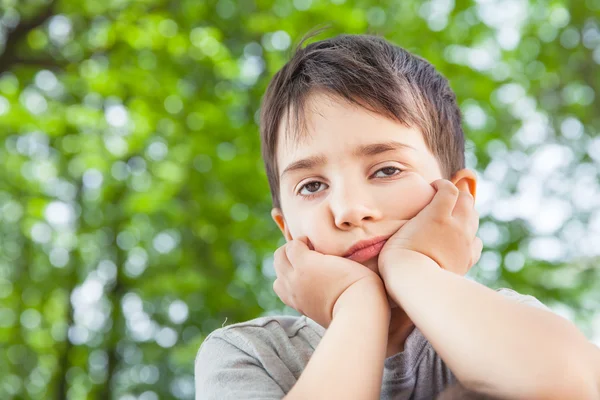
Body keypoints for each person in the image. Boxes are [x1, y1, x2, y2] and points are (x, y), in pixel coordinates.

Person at [195, 32, 600, 399]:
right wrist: (357, 305)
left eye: (386, 170)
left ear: (457, 200)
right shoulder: (251, 354)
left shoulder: (504, 327)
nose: (350, 210)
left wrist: (408, 265)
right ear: (287, 230)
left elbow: (569, 385)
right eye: (312, 186)